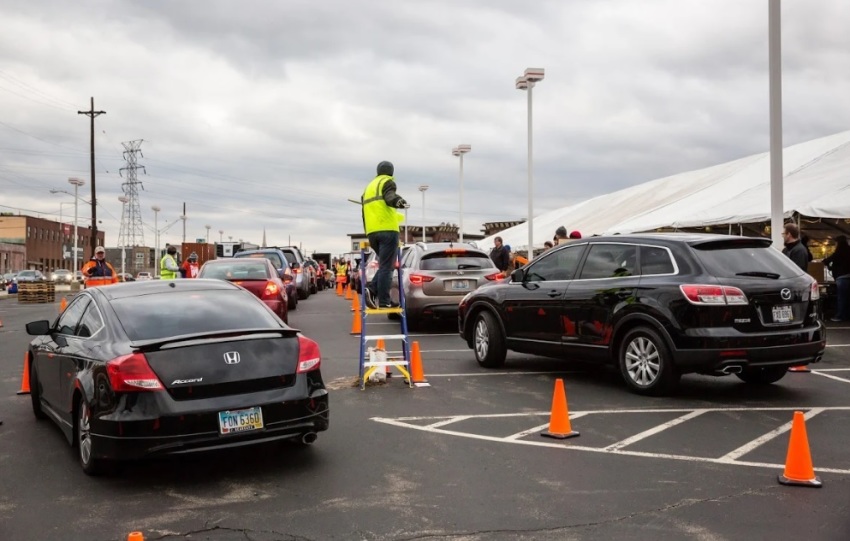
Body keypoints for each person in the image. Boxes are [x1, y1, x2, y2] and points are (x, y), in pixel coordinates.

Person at [361, 160, 408, 309]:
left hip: (372, 232)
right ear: (391, 172)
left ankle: (372, 289)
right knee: (387, 268)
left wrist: (368, 231)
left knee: (384, 266)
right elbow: (390, 197)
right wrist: (399, 202)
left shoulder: (369, 187)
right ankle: (383, 301)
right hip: (388, 230)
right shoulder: (387, 182)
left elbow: (365, 213)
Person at [824, 235, 850, 322]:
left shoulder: (838, 252)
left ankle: (840, 316)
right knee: (847, 298)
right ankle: (846, 316)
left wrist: (829, 266)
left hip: (841, 278)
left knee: (841, 298)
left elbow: (826, 261)